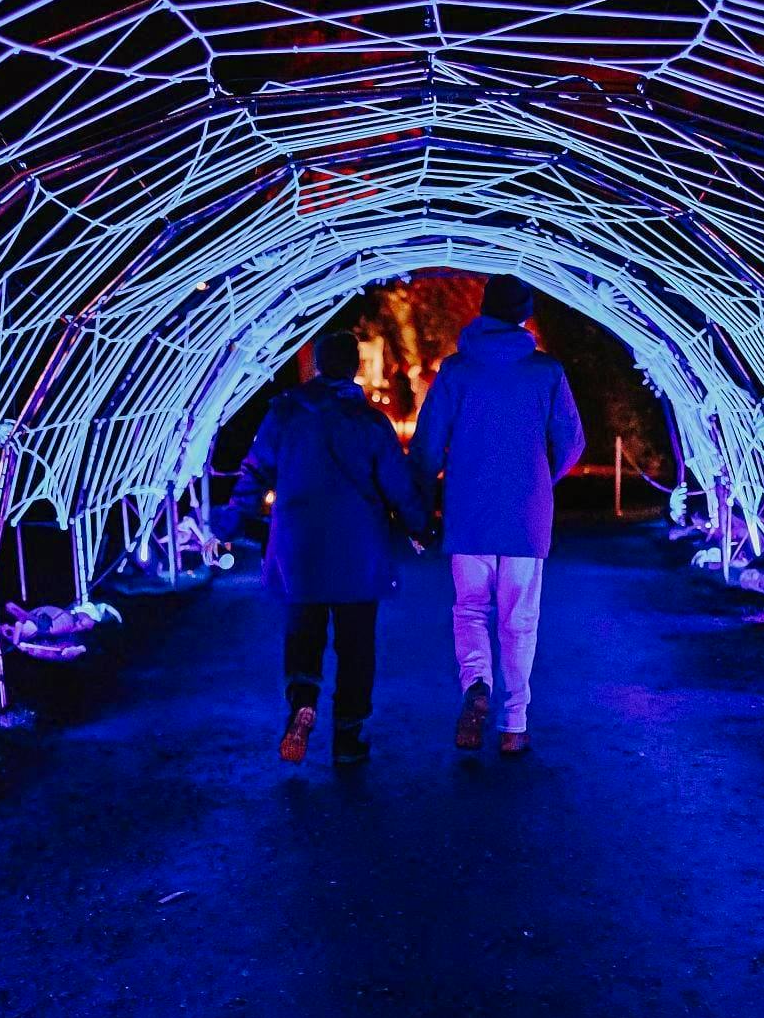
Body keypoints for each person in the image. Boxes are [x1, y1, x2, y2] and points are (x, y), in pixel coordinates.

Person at [217, 330, 427, 766]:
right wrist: (418, 526)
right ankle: (348, 737)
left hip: (300, 548)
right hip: (358, 551)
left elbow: (256, 471)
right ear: (352, 368)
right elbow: (397, 484)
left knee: (303, 634)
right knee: (356, 647)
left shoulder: (284, 414)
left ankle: (302, 701)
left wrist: (232, 520)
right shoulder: (369, 422)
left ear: (316, 365)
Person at [409, 276, 585, 756]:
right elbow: (572, 442)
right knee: (520, 618)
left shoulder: (456, 371)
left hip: (468, 513)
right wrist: (539, 478)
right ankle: (514, 726)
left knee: (470, 608)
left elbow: (426, 448)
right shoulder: (546, 372)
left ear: (484, 311)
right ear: (525, 315)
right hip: (527, 515)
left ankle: (477, 684)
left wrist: (420, 509)